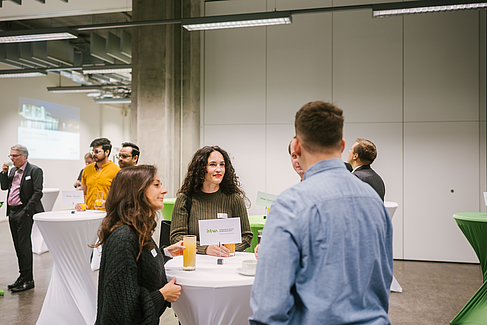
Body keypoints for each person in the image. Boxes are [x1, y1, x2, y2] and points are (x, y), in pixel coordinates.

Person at [250, 101, 393, 325]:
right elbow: (382, 285)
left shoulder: (289, 205)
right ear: (343, 144)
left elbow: (269, 310)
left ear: (296, 147)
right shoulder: (374, 202)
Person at [94, 165, 184, 325]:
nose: (164, 190)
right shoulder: (123, 238)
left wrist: (165, 253)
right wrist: (162, 295)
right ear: (137, 190)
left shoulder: (139, 230)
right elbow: (122, 311)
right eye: (156, 185)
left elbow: (140, 268)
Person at [170, 146, 253, 257]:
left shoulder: (234, 198)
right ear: (201, 168)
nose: (218, 169)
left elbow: (246, 236)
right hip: (194, 262)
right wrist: (206, 249)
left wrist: (224, 250)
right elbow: (177, 237)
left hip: (227, 261)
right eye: (213, 165)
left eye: (222, 165)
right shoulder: (185, 199)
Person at [1, 144, 44, 292]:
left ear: (24, 156)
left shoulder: (34, 170)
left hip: (23, 212)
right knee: (18, 246)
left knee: (25, 246)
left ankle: (29, 280)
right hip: (12, 212)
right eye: (10, 156)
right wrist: (4, 173)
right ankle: (22, 276)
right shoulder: (12, 170)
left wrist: (26, 211)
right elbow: (4, 187)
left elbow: (38, 193)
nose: (11, 159)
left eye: (14, 156)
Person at [80, 138, 120, 210]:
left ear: (107, 152)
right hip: (88, 212)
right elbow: (82, 192)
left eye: (97, 151)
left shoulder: (116, 170)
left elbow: (118, 196)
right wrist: (78, 204)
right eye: (93, 151)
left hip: (106, 213)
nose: (93, 154)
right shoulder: (87, 169)